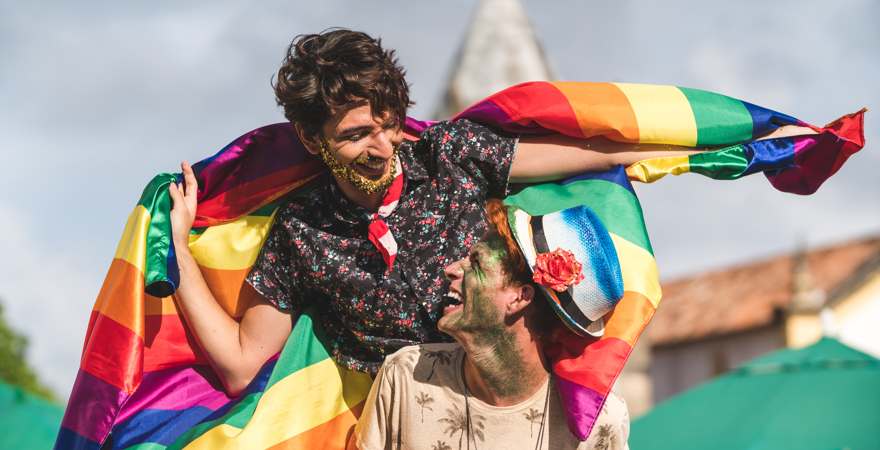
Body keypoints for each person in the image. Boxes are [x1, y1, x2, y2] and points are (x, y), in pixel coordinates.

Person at [167, 28, 815, 395]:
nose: (383, 145)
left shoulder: (449, 155)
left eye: (388, 123)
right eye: (356, 134)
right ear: (312, 140)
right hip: (398, 425)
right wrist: (176, 255)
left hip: (513, 408)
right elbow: (241, 362)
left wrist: (726, 146)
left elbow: (590, 148)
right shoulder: (301, 235)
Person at [350, 199, 630, 449]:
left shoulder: (598, 425)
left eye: (476, 262)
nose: (450, 270)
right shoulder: (407, 376)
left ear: (520, 297)